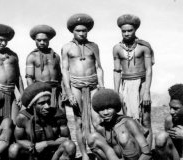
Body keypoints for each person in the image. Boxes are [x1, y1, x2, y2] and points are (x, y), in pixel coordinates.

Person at [61, 13, 104, 160]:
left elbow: (99, 67)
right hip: (75, 86)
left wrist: (102, 87)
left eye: (84, 30)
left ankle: (99, 152)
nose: (81, 33)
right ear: (72, 31)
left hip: (92, 85)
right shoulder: (67, 48)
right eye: (78, 30)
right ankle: (85, 154)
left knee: (97, 120)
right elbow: (65, 70)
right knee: (78, 121)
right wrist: (69, 92)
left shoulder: (94, 46)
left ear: (88, 31)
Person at [113, 14, 154, 147]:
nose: (126, 33)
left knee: (146, 120)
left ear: (135, 30)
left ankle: (148, 154)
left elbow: (148, 70)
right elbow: (117, 71)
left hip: (142, 84)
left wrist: (146, 91)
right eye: (123, 31)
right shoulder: (117, 48)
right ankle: (136, 152)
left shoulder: (144, 46)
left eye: (129, 30)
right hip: (126, 86)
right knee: (129, 120)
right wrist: (116, 92)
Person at [8, 82, 76, 160]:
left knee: (69, 146)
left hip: (53, 155)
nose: (47, 106)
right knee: (14, 149)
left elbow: (66, 138)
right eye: (42, 103)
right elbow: (19, 139)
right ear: (33, 105)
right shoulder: (23, 117)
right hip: (32, 155)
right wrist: (32, 145)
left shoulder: (58, 114)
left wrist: (47, 144)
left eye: (48, 102)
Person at [87, 88, 151, 160]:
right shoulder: (102, 128)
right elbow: (107, 151)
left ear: (116, 108)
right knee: (92, 138)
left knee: (123, 136)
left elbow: (147, 153)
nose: (105, 113)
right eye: (102, 109)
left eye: (109, 108)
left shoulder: (128, 123)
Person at [25, 24, 65, 120]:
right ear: (35, 41)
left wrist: (63, 91)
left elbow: (60, 75)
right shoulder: (32, 56)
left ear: (49, 40)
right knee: (44, 117)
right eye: (39, 40)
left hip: (56, 90)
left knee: (59, 116)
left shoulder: (55, 56)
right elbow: (29, 77)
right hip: (41, 91)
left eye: (45, 40)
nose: (42, 42)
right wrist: (34, 93)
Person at [154, 84, 183, 160]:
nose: (171, 112)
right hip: (179, 156)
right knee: (160, 137)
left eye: (176, 108)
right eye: (170, 107)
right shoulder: (170, 120)